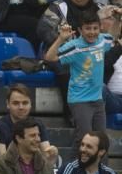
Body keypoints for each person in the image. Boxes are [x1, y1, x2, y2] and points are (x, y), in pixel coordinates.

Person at [47, 12, 113, 145]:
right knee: (84, 138)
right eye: (88, 28)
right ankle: (75, 166)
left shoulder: (102, 40)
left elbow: (113, 36)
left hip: (98, 99)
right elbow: (49, 57)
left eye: (95, 28)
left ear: (100, 28)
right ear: (80, 30)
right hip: (80, 100)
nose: (92, 32)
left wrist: (117, 19)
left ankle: (101, 166)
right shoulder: (74, 47)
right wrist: (61, 38)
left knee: (102, 140)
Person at [0, 84, 58, 165]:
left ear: (31, 104)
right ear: (8, 104)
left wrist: (51, 155)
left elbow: (46, 154)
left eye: (25, 103)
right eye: (16, 103)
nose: (21, 107)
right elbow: (3, 161)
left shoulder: (38, 125)